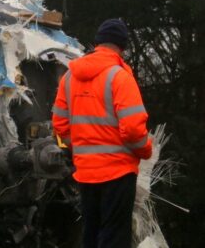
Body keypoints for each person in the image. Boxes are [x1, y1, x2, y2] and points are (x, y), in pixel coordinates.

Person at [52, 18, 153, 248]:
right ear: (122, 46)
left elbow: (59, 127)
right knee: (114, 236)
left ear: (97, 43)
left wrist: (79, 148)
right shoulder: (120, 78)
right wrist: (146, 149)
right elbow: (134, 131)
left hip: (85, 173)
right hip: (118, 174)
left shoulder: (68, 78)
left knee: (91, 234)